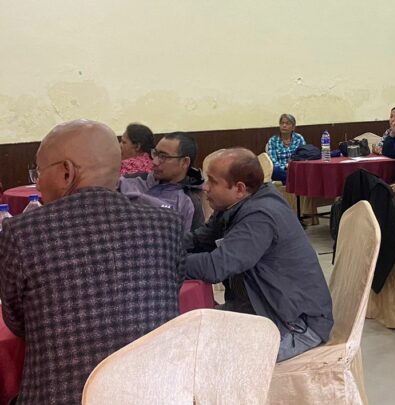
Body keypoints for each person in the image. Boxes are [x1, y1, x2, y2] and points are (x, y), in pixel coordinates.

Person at [0, 120, 185, 404]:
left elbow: (16, 320)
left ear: (66, 172)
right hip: (152, 392)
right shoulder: (167, 225)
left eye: (38, 172)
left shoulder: (22, 232)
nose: (37, 182)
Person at [184, 148, 333, 362]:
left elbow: (215, 267)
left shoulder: (260, 216)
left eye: (213, 182)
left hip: (293, 324)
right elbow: (200, 239)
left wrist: (165, 263)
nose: (205, 187)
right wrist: (158, 247)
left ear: (239, 188)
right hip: (262, 308)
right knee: (189, 333)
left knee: (207, 359)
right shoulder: (234, 206)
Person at [119, 132, 205, 231]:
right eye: (155, 154)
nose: (155, 162)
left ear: (185, 162)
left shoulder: (189, 202)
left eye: (163, 157)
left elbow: (190, 243)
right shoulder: (129, 182)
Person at [266, 113, 305, 184]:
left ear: (293, 127)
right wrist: (285, 167)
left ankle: (289, 183)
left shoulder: (299, 138)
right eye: (282, 123)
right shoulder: (273, 140)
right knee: (275, 170)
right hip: (280, 170)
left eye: (287, 123)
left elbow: (303, 155)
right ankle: (292, 181)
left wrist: (292, 167)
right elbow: (273, 160)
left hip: (295, 168)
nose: (284, 125)